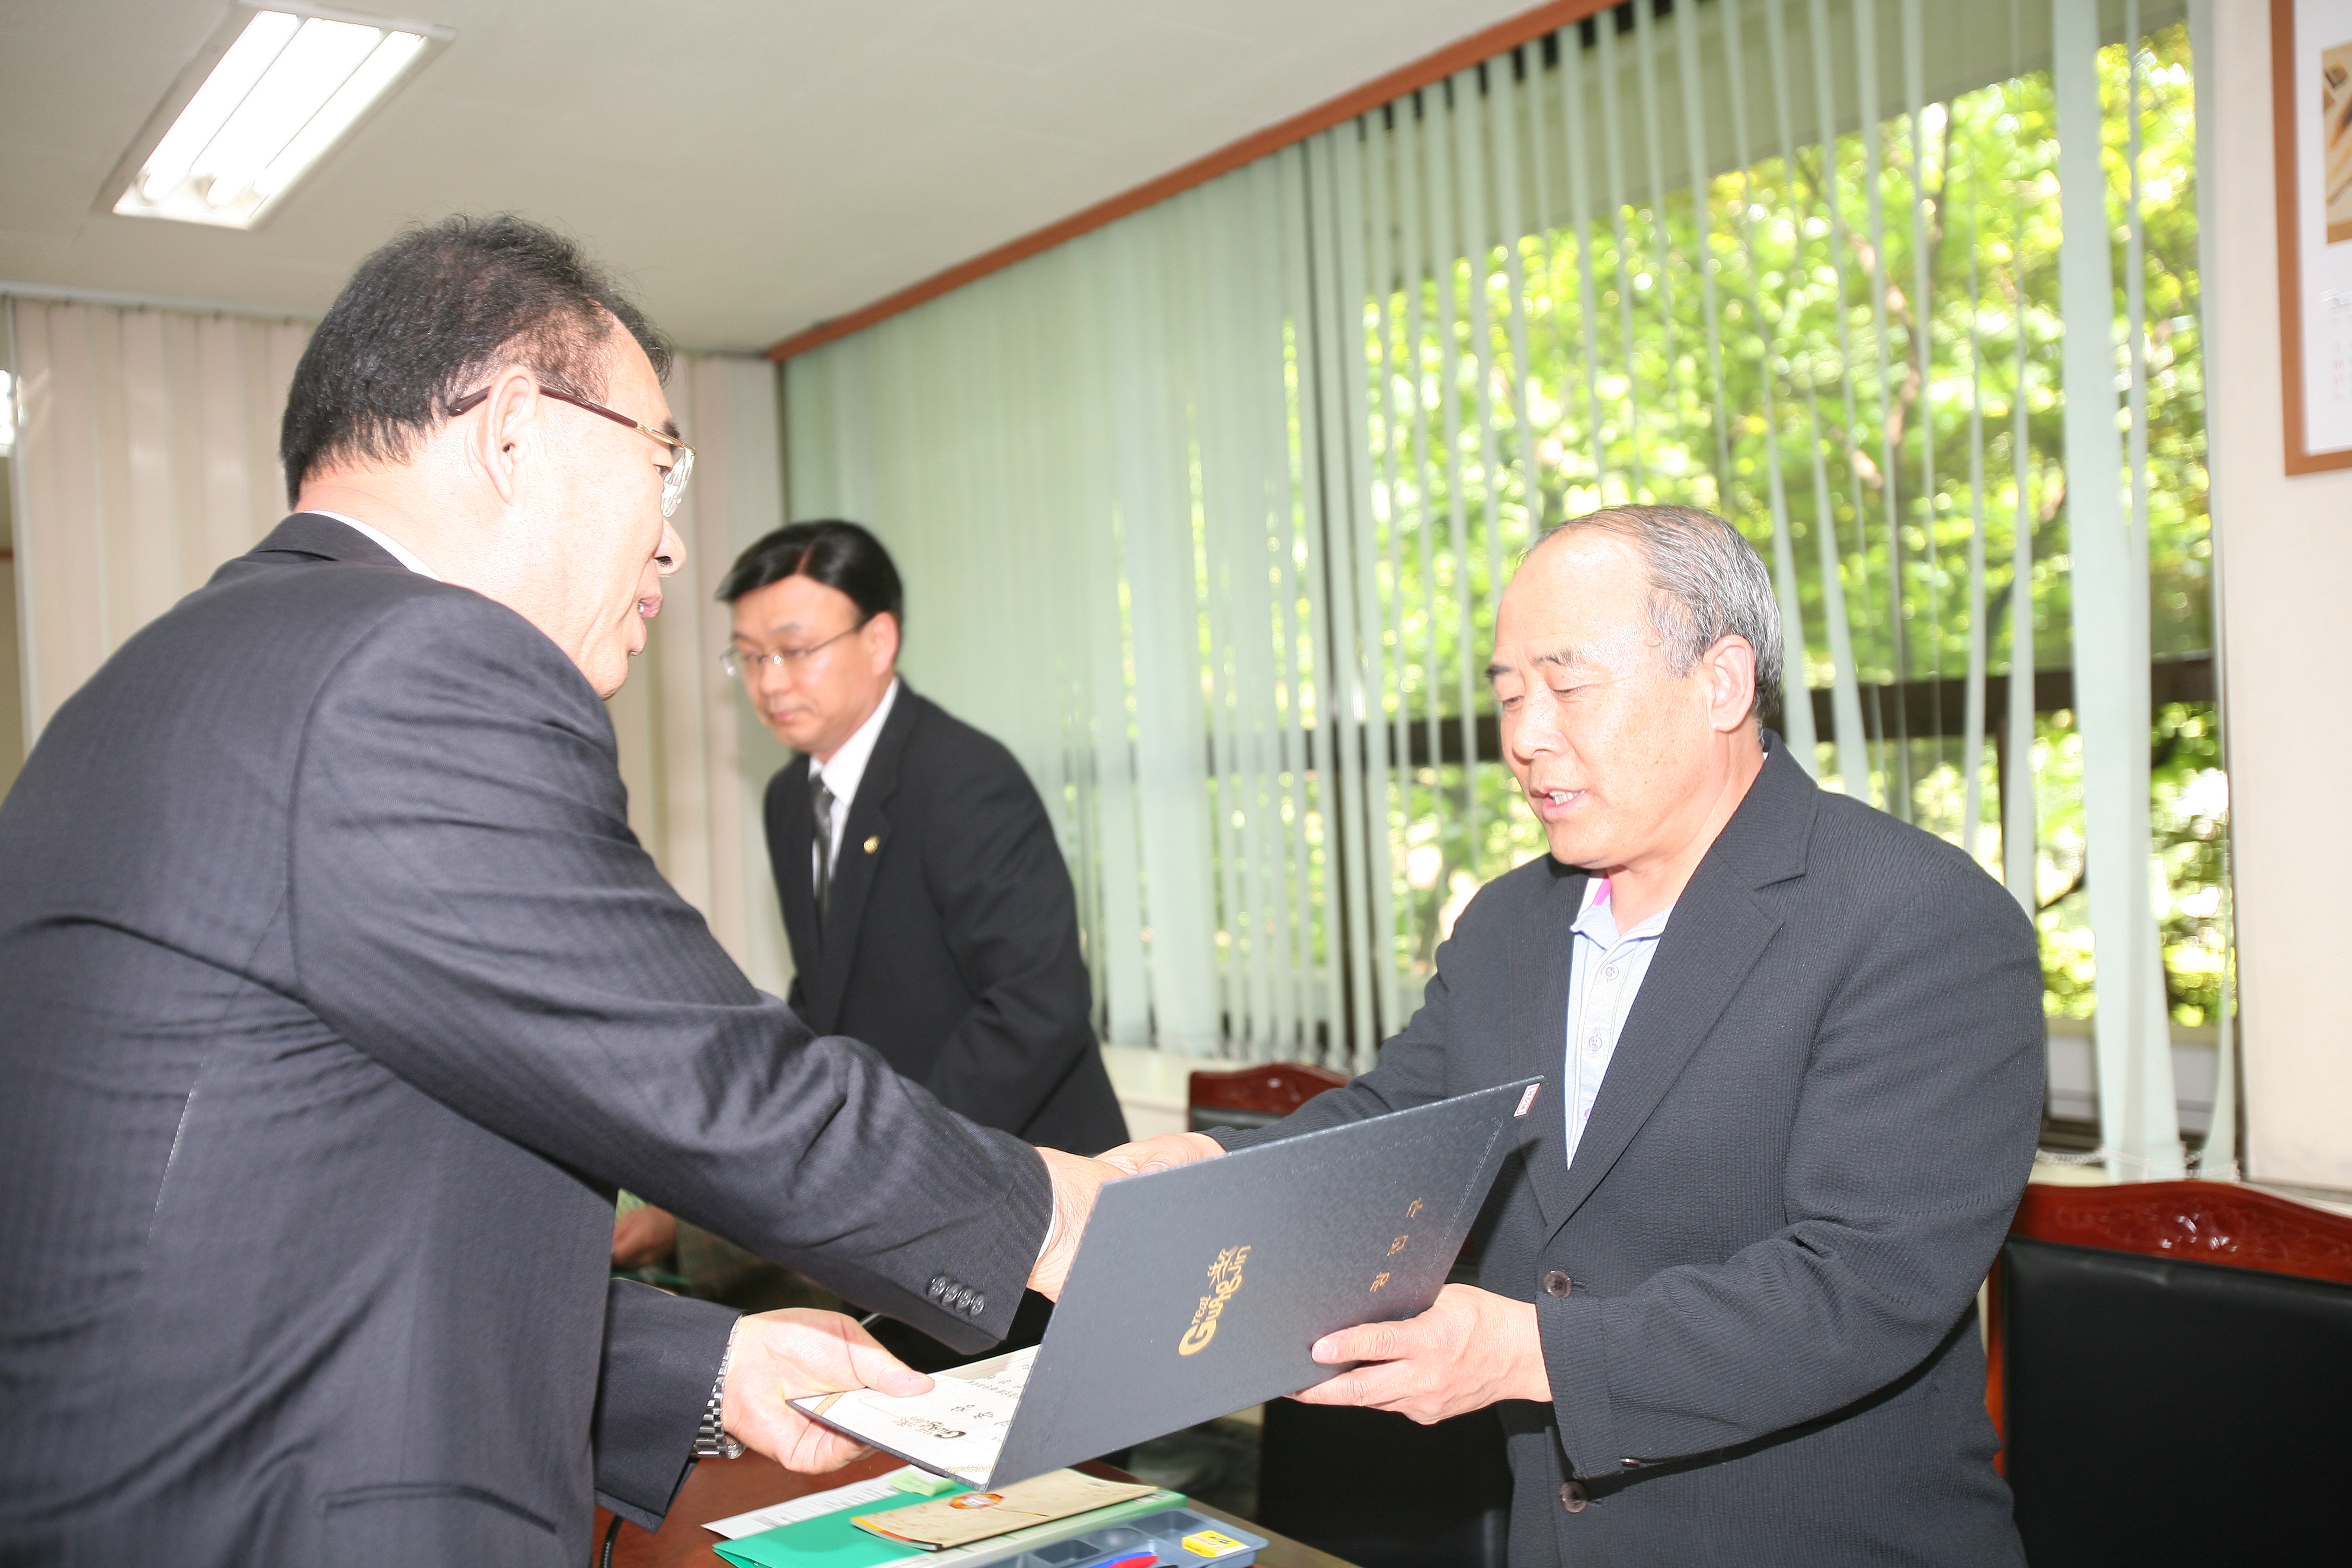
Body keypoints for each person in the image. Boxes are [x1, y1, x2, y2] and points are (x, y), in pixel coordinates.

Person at [0, 215, 1117, 1567]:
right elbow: (719, 1083)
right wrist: (1066, 1215)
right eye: (664, 463)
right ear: (516, 429)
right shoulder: (411, 671)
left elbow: (326, 1220)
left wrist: (705, 1366)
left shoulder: (162, 679)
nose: (666, 547)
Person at [1106, 506, 2045, 1566]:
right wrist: (1196, 1175)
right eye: (1509, 694)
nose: (1524, 736)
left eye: (1568, 686)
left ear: (1723, 683)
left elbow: (1859, 1287)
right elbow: (1389, 1124)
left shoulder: (1913, 917)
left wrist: (1531, 1352)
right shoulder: (1513, 921)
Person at [614, 523, 1127, 1301]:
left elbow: (1036, 1009)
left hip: (1027, 1196)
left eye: (795, 649)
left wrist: (893, 1152)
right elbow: (828, 996)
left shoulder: (963, 779)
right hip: (901, 1207)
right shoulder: (791, 798)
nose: (771, 682)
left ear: (879, 639)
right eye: (750, 656)